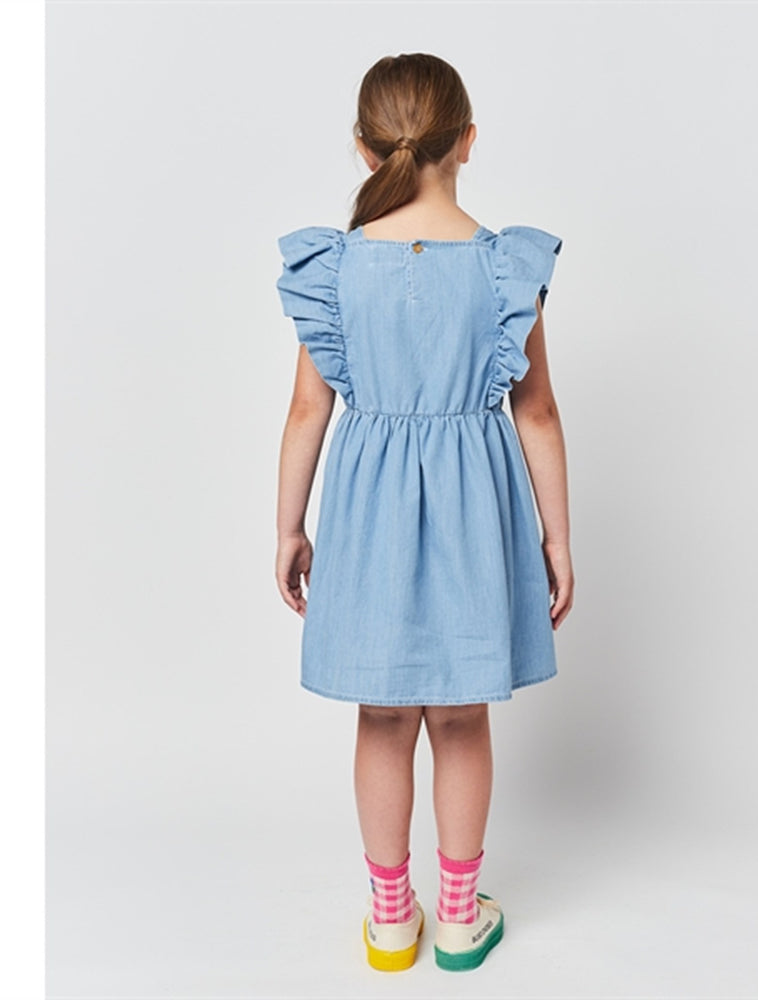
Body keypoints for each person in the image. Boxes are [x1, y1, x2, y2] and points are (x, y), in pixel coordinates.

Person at [274, 52, 574, 973]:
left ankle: (390, 918)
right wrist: (557, 535)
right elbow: (537, 413)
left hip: (367, 516)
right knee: (460, 719)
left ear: (366, 149)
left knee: (383, 717)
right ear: (468, 142)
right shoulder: (503, 268)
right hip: (475, 515)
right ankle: (460, 915)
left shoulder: (334, 269)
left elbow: (307, 411)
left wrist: (289, 527)